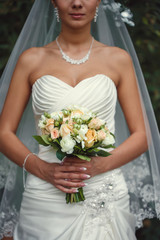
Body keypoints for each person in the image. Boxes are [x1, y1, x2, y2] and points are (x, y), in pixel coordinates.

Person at [0, 0, 160, 239]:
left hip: (104, 191)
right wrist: (42, 169)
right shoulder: (31, 60)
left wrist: (99, 165)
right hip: (45, 195)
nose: (76, 3)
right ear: (54, 2)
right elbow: (4, 132)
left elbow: (141, 133)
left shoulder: (118, 59)